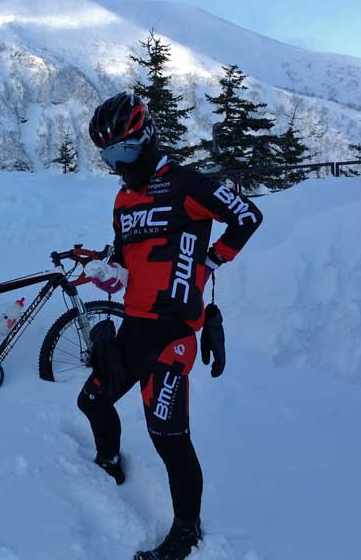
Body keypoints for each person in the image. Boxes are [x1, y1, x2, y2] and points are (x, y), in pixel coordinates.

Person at [78, 92, 263, 560]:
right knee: (92, 400)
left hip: (173, 334)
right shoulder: (122, 199)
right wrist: (110, 269)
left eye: (122, 152)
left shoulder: (186, 183)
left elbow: (247, 215)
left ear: (144, 140)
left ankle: (186, 532)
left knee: (168, 437)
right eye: (107, 156)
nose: (117, 165)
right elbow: (125, 253)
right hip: (134, 327)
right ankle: (109, 463)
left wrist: (211, 260)